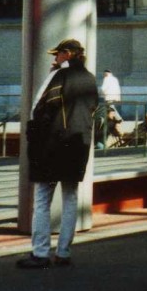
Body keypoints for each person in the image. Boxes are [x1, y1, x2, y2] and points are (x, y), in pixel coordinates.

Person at [17, 38, 99, 269]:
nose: (55, 59)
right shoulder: (90, 79)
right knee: (70, 197)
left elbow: (39, 108)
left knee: (42, 198)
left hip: (52, 146)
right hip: (79, 144)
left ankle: (40, 252)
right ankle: (64, 252)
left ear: (67, 54)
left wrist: (34, 138)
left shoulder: (58, 76)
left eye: (58, 55)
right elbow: (93, 108)